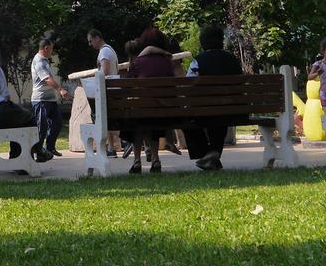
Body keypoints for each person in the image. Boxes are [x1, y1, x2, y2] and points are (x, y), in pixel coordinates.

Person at [185, 25, 242, 170]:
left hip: (205, 110)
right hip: (233, 110)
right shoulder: (233, 60)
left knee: (187, 119)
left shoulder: (198, 61)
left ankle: (208, 153)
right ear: (221, 41)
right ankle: (213, 155)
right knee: (220, 117)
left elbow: (187, 87)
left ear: (203, 42)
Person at [124, 37, 176, 173]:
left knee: (137, 122)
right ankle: (156, 159)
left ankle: (136, 161)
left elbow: (127, 86)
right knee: (152, 123)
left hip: (140, 111)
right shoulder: (166, 61)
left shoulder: (136, 63)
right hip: (160, 111)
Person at [30, 36, 71, 157]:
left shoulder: (44, 60)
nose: (52, 52)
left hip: (50, 99)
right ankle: (38, 152)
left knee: (57, 123)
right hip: (40, 99)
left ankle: (50, 148)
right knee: (41, 127)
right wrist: (61, 89)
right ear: (46, 48)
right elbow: (47, 79)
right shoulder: (39, 61)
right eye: (51, 49)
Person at [86, 28, 121, 155]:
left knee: (100, 118)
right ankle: (111, 148)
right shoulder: (108, 49)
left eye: (91, 41)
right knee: (109, 120)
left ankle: (128, 141)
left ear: (97, 38)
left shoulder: (104, 51)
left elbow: (105, 71)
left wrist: (92, 77)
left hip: (108, 90)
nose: (90, 44)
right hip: (112, 89)